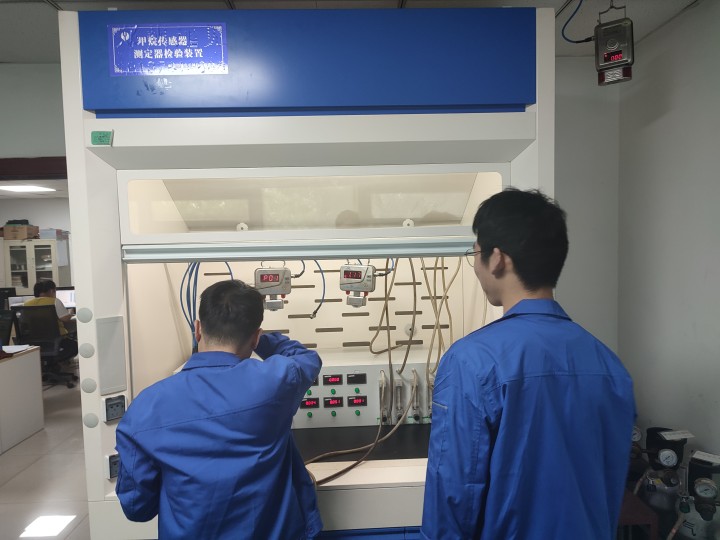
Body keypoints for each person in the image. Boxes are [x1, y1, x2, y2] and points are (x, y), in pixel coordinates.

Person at [421, 188, 636, 540]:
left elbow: (454, 495)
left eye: (475, 253)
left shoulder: (471, 361)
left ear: (497, 259)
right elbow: (609, 486)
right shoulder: (610, 366)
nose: (475, 266)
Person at [115, 279, 323, 539]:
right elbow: (306, 358)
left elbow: (137, 508)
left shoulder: (145, 407)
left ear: (197, 329)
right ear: (255, 337)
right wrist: (260, 339)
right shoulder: (276, 382)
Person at [24, 279, 78, 358]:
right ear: (51, 291)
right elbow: (65, 319)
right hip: (56, 339)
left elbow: (24, 322)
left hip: (35, 340)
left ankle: (46, 362)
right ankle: (55, 361)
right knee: (74, 346)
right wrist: (70, 313)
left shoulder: (27, 303)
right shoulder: (55, 301)